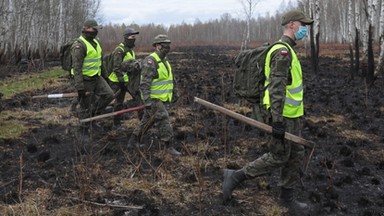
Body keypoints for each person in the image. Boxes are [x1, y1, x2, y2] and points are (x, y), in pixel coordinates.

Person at [222, 10, 314, 213]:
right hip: (282, 116)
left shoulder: (289, 50)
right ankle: (235, 176)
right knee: (279, 155)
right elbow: (276, 87)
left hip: (293, 115)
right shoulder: (281, 52)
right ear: (292, 25)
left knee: (295, 154)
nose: (305, 29)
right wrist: (278, 120)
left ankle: (287, 198)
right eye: (303, 25)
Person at [127, 34, 181, 156]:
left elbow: (170, 79)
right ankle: (168, 146)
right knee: (164, 119)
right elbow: (144, 84)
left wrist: (174, 92)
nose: (167, 47)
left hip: (164, 98)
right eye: (164, 45)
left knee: (147, 120)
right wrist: (147, 102)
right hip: (154, 99)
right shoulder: (151, 62)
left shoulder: (165, 61)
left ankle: (133, 140)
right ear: (157, 46)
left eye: (168, 45)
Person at [71, 19, 114, 122]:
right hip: (85, 80)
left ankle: (94, 113)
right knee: (86, 106)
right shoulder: (79, 46)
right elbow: (77, 69)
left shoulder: (96, 42)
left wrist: (106, 76)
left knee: (109, 95)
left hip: (96, 77)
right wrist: (80, 87)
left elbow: (100, 62)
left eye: (96, 29)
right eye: (93, 29)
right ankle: (84, 127)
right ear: (86, 29)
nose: (95, 31)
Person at [108, 28, 142, 127]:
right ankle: (116, 123)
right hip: (117, 81)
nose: (134, 39)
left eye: (135, 37)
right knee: (117, 102)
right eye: (132, 37)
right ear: (126, 37)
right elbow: (116, 67)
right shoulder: (120, 50)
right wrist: (121, 80)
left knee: (139, 100)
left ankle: (143, 123)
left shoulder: (131, 51)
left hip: (129, 82)